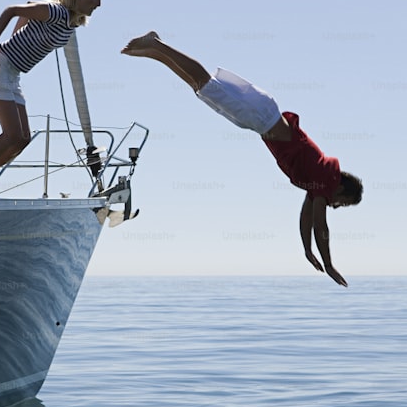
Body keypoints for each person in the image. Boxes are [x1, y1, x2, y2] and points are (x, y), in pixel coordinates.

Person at [121, 31, 363, 287]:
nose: (337, 206)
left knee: (200, 88)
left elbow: (306, 218)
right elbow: (319, 225)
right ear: (341, 188)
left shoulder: (318, 182)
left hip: (259, 119)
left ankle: (156, 53)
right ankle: (158, 44)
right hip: (261, 116)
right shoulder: (326, 178)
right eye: (343, 203)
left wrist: (307, 251)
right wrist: (329, 264)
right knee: (205, 83)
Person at [0, 0, 107, 201]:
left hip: (12, 73)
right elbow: (13, 10)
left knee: (23, 139)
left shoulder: (71, 23)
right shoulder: (55, 11)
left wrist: (20, 32)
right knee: (11, 134)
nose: (99, 4)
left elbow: (28, 6)